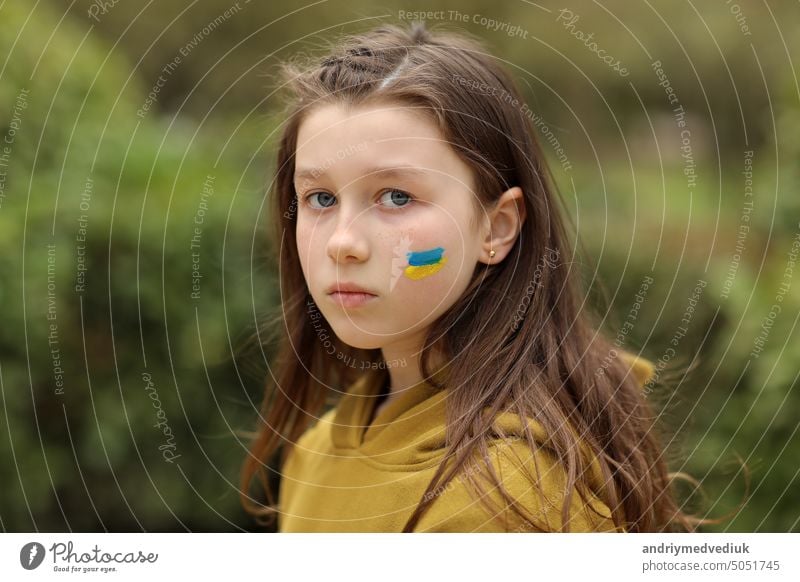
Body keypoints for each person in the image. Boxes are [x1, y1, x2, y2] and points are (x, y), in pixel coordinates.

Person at [239, 21, 720, 532]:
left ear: (497, 226)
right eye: (321, 199)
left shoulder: (500, 500)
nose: (342, 242)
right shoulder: (317, 451)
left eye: (397, 196)